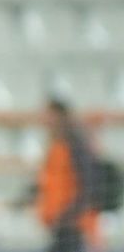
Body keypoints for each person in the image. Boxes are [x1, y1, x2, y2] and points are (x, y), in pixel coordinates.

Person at [36, 98, 101, 252]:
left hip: (74, 227)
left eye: (50, 116)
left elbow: (88, 183)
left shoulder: (75, 143)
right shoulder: (58, 145)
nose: (46, 121)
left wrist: (68, 215)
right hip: (62, 225)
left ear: (60, 116)